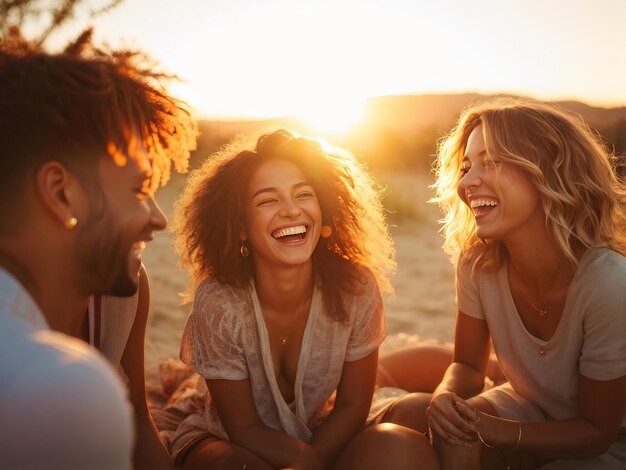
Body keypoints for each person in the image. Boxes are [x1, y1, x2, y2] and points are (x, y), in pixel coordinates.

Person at [166, 129, 439, 469]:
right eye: (268, 200)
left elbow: (353, 405)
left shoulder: (355, 287)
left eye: (303, 195)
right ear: (239, 227)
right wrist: (304, 459)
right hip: (230, 439)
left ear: (323, 211)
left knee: (412, 432)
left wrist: (315, 460)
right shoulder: (220, 300)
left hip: (324, 429)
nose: (291, 210)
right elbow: (243, 427)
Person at [381, 98, 626, 469]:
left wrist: (498, 432)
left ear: (548, 172)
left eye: (491, 162)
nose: (466, 181)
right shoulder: (479, 262)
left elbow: (597, 431)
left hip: (606, 444)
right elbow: (466, 365)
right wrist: (446, 396)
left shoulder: (607, 283)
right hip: (527, 407)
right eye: (465, 167)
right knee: (445, 427)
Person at [0, 30, 195, 469]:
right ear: (61, 193)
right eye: (139, 188)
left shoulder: (123, 294)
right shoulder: (62, 387)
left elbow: (140, 424)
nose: (159, 218)